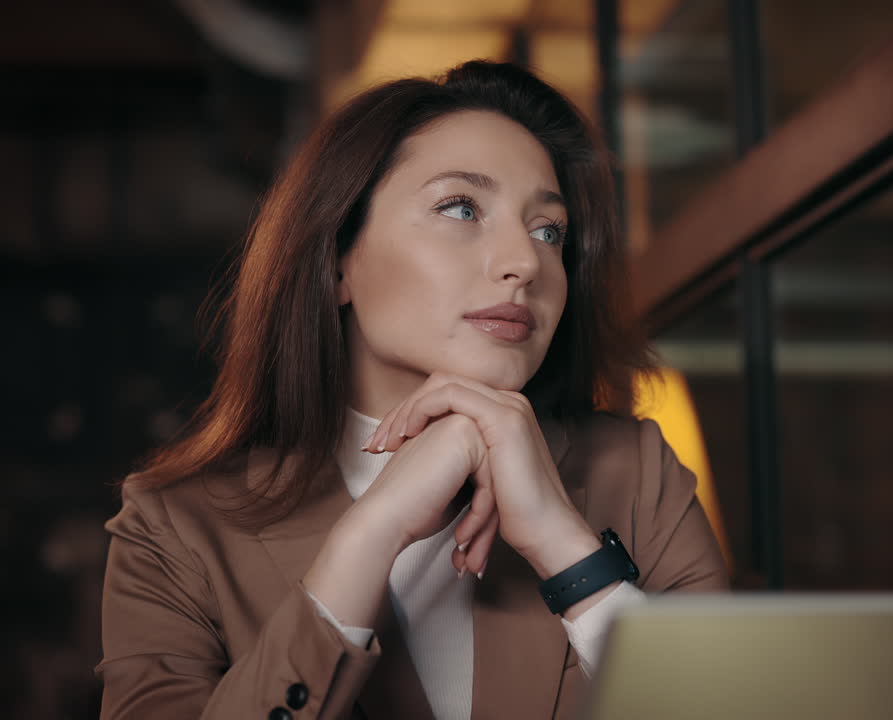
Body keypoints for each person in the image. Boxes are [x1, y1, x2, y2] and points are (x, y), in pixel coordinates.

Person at [96, 60, 729, 720]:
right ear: (336, 257)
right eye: (461, 208)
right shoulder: (174, 529)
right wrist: (372, 532)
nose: (524, 262)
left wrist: (563, 547)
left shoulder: (636, 474)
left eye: (550, 231)